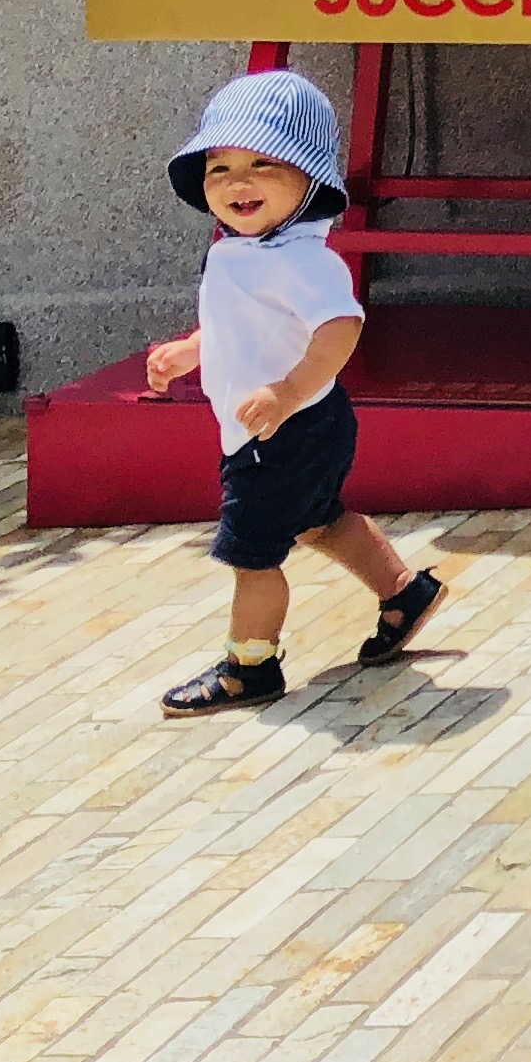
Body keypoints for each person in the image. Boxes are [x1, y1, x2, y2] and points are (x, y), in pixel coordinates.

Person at [148, 69, 448, 714]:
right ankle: (403, 591)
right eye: (220, 168)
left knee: (252, 556)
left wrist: (287, 392)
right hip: (288, 426)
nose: (238, 182)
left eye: (263, 164)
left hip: (286, 429)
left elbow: (341, 326)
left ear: (309, 179)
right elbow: (241, 323)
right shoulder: (237, 252)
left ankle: (250, 667)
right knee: (320, 520)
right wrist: (192, 350)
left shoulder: (304, 259)